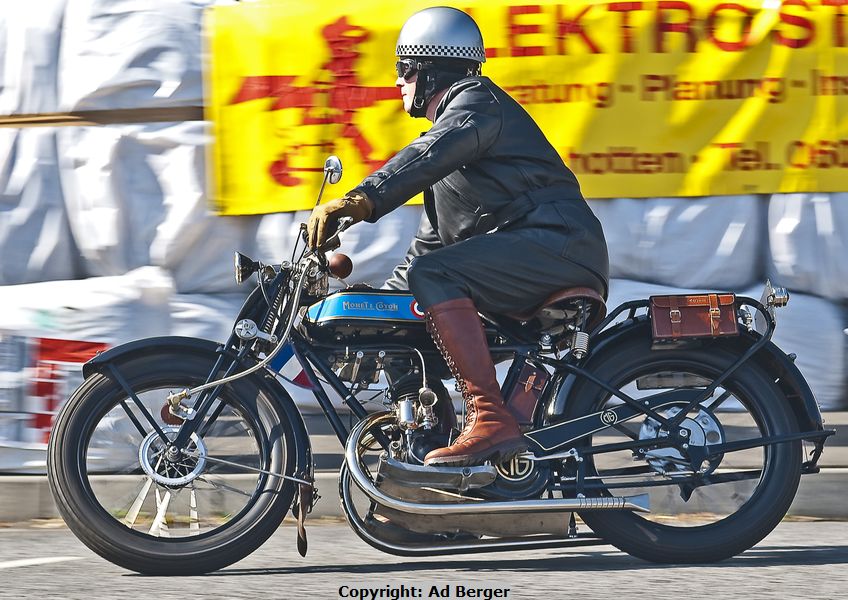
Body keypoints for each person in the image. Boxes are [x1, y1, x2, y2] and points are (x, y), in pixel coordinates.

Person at [307, 6, 609, 467]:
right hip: (526, 252)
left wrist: (360, 200)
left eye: (404, 70)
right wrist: (376, 309)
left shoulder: (475, 104)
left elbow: (428, 154)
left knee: (436, 274)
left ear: (431, 70)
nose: (397, 83)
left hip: (557, 246)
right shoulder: (453, 159)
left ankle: (489, 418)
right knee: (399, 323)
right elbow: (423, 258)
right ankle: (427, 468)